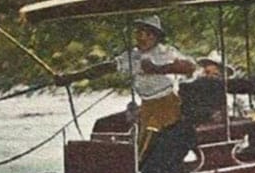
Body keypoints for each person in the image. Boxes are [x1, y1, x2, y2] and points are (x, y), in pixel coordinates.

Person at [54, 15, 195, 160]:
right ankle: (98, 162)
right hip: (146, 107)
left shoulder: (165, 52)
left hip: (167, 106)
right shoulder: (132, 56)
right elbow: (106, 68)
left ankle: (136, 170)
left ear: (156, 37)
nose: (142, 37)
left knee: (147, 136)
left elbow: (190, 66)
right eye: (139, 33)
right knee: (104, 124)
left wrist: (157, 69)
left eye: (147, 34)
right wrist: (71, 77)